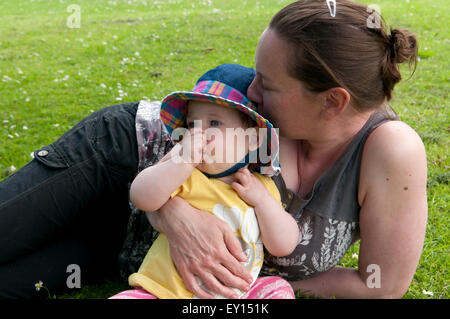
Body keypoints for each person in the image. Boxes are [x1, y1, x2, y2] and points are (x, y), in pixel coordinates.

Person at [0, 0, 427, 299]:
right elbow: (173, 171)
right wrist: (172, 213)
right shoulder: (263, 112)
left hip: (127, 252)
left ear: (333, 101)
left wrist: (252, 287)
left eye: (268, 84)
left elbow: (382, 284)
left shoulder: (389, 152)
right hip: (118, 158)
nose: (250, 93)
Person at [109, 64, 298, 299]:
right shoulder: (183, 174)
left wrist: (262, 201)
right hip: (165, 293)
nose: (198, 133)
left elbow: (284, 244)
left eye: (214, 123)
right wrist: (180, 161)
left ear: (252, 140)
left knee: (277, 289)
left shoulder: (260, 187)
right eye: (191, 124)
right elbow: (141, 196)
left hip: (237, 295)